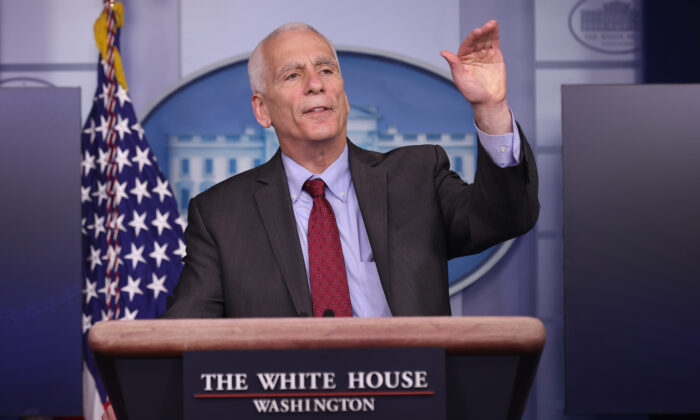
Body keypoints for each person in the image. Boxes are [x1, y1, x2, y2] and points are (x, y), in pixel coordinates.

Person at [161, 20, 539, 319]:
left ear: (343, 96)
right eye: (293, 75)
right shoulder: (220, 216)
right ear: (262, 109)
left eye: (326, 70)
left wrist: (491, 108)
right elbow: (185, 334)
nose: (315, 84)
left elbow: (505, 217)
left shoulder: (417, 178)